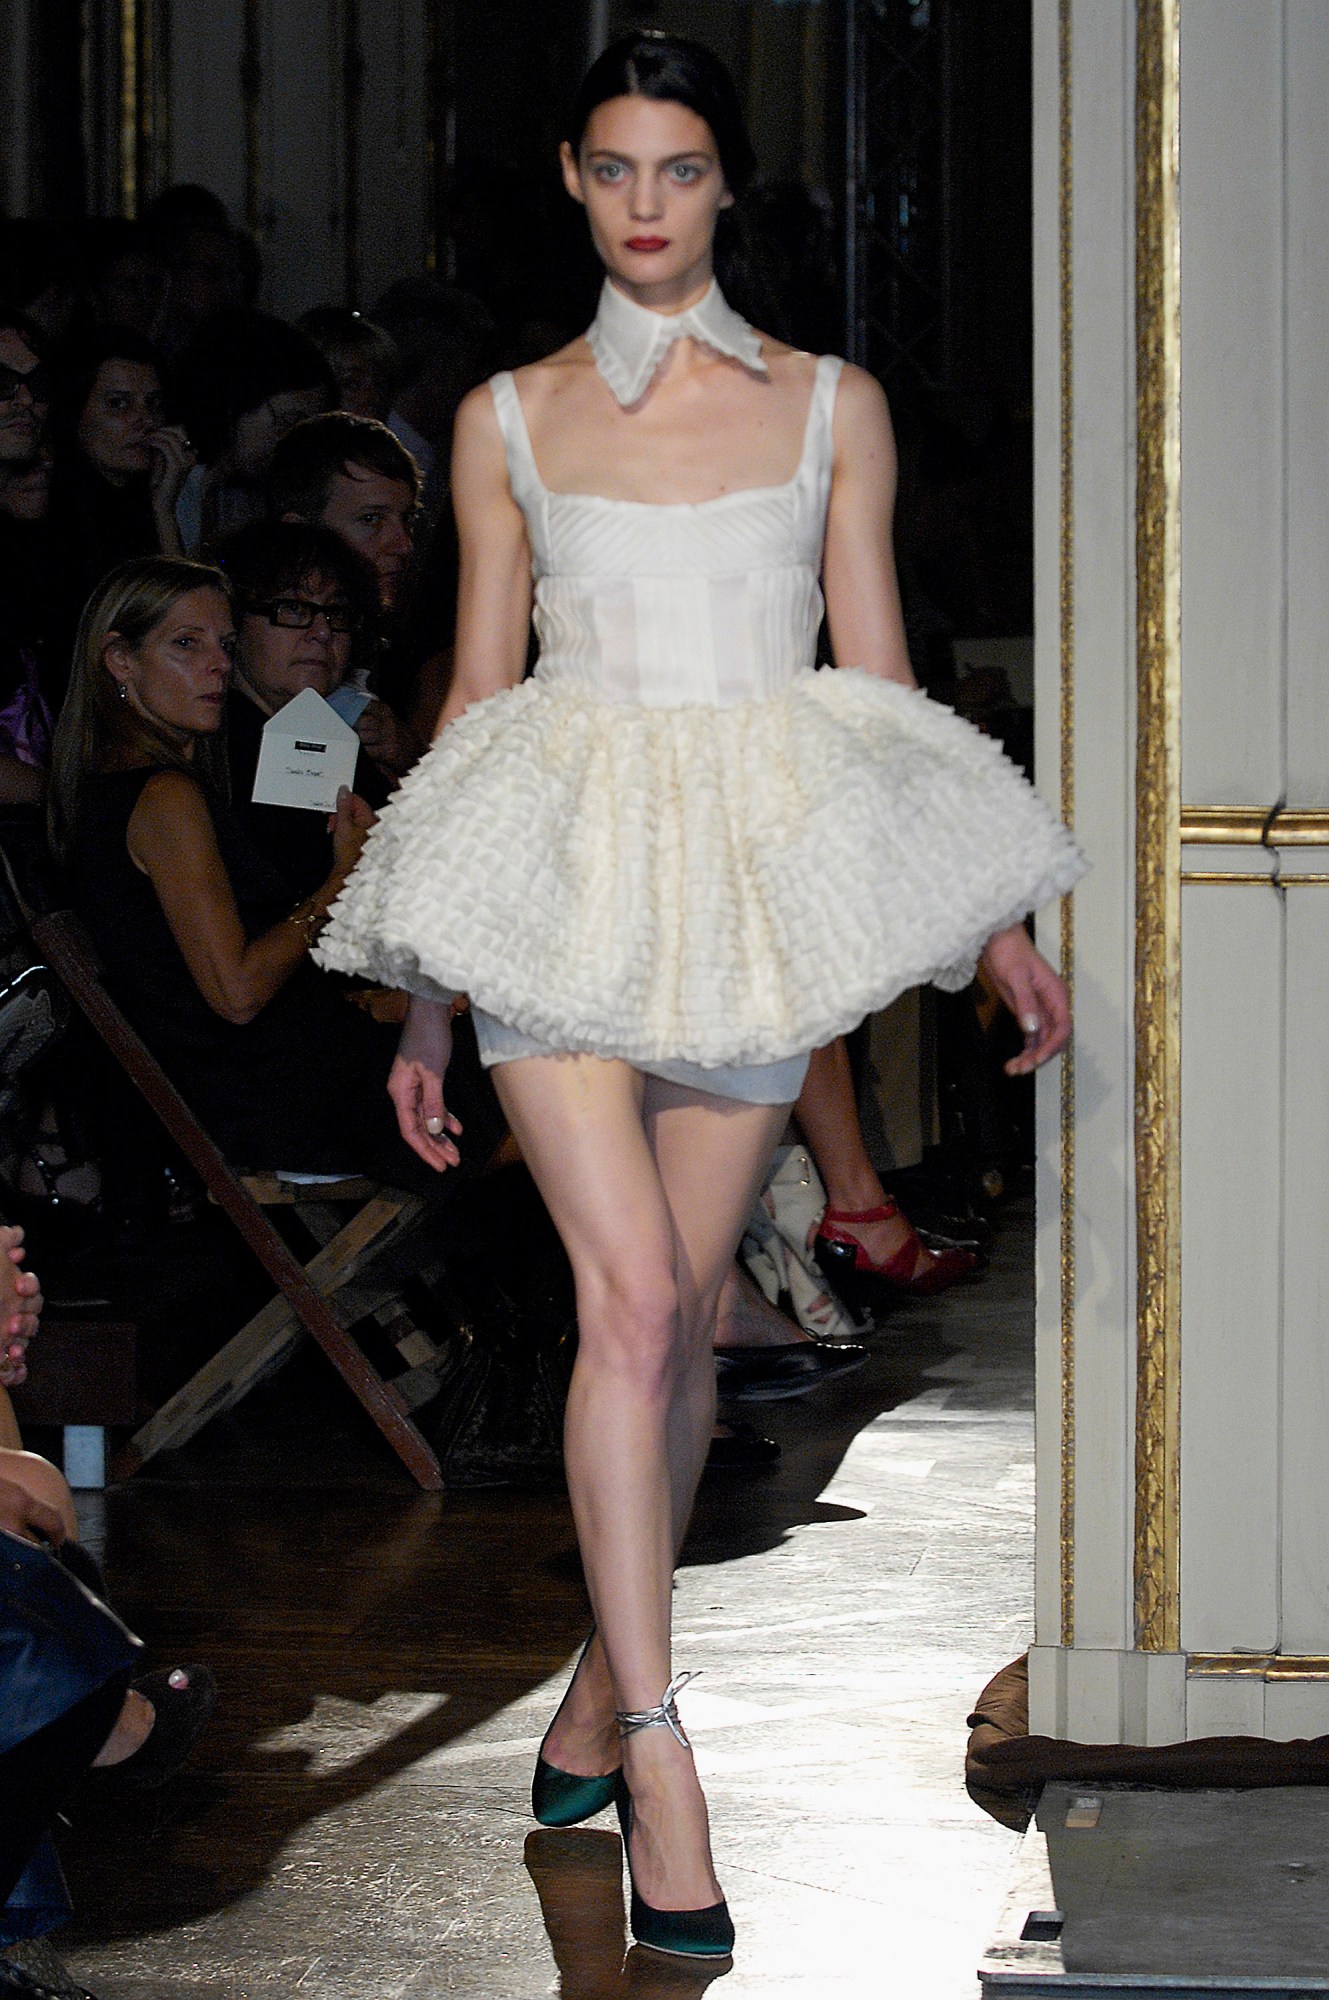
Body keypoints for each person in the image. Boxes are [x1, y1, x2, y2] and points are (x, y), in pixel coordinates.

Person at [317, 32, 1082, 1959]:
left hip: (745, 885)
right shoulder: (501, 418)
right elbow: (477, 700)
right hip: (561, 869)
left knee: (659, 1343)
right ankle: (660, 1740)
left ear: (721, 186)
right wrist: (422, 988)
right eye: (612, 170)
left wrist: (989, 913)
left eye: (679, 169)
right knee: (641, 1301)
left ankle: (591, 1687)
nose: (646, 204)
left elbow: (879, 687)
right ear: (571, 183)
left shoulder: (832, 405)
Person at [48, 557, 497, 1191]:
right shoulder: (161, 797)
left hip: (277, 1073)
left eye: (224, 645)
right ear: (119, 660)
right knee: (551, 1078)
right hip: (276, 1096)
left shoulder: (130, 786)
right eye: (186, 644)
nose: (218, 664)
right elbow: (236, 993)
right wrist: (340, 880)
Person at [215, 519, 392, 900]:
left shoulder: (337, 738)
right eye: (294, 609)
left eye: (337, 614)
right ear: (233, 622)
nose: (323, 632)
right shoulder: (210, 748)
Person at [172, 310, 334, 553]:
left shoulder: (244, 498)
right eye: (288, 422)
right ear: (235, 400)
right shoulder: (174, 486)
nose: (293, 442)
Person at [51, 329, 195, 595]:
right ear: (74, 412)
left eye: (154, 404)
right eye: (118, 404)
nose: (146, 420)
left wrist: (163, 511)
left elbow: (183, 613)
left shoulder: (140, 503)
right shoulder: (49, 512)